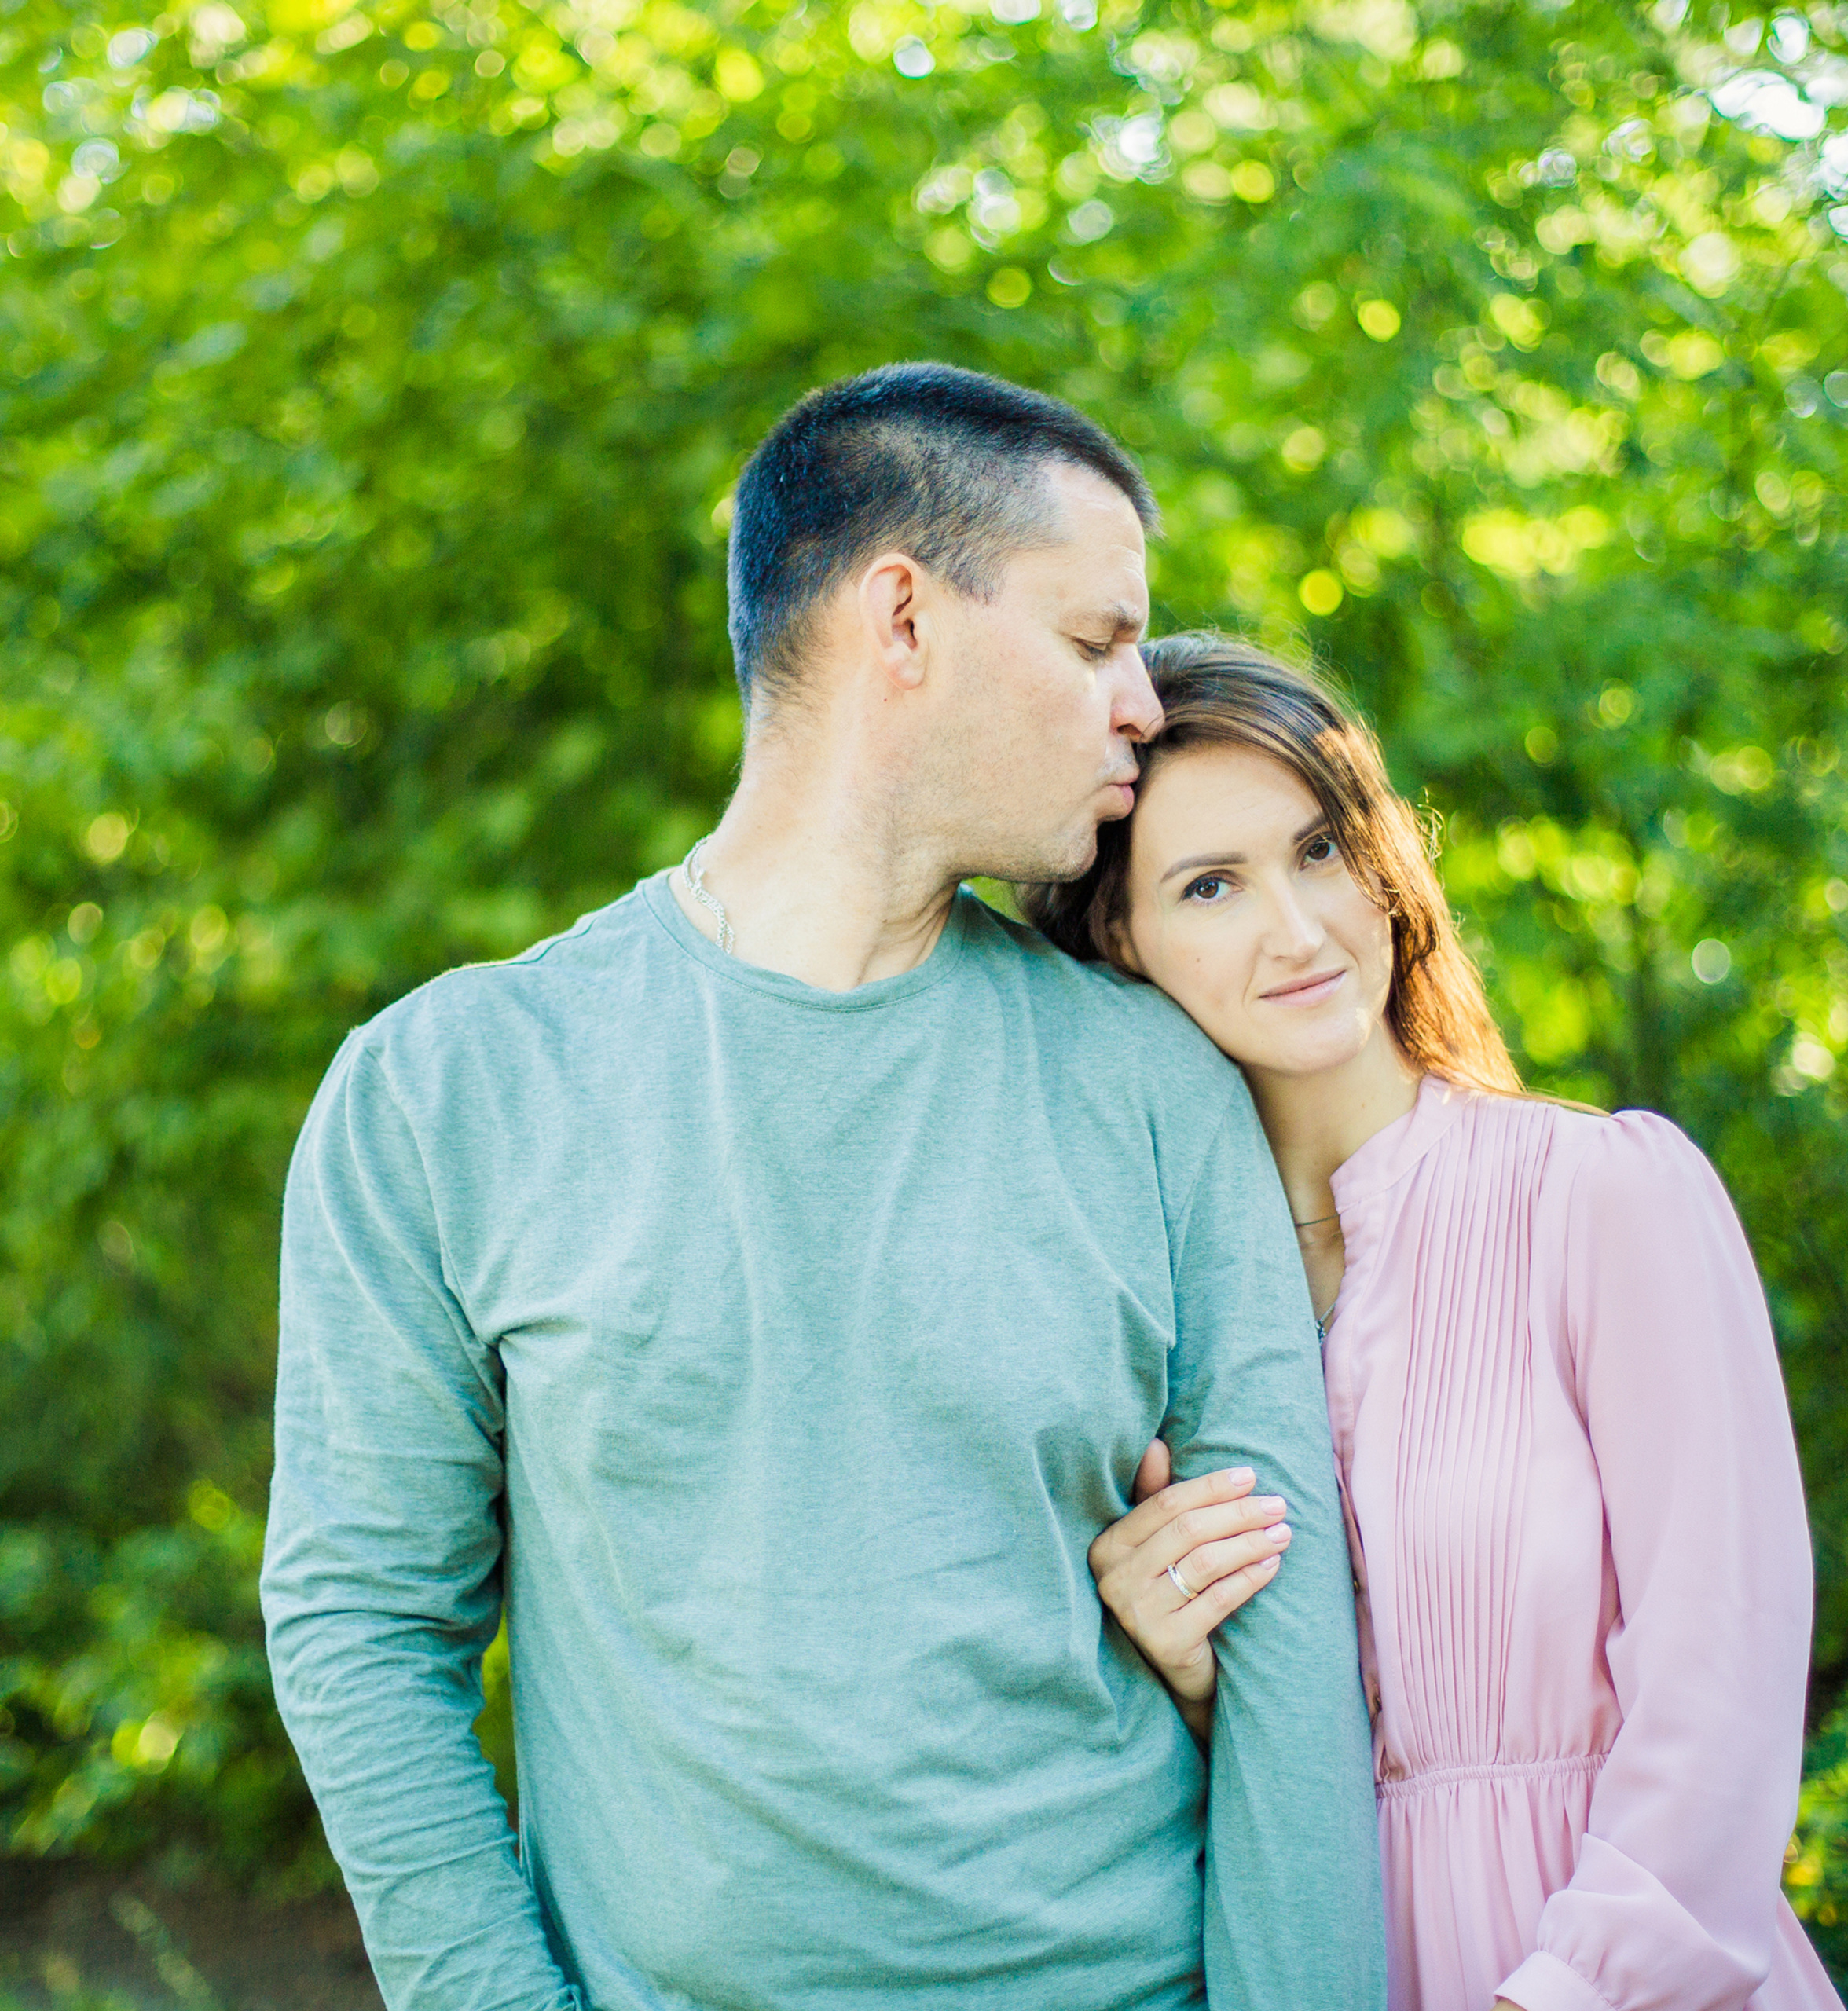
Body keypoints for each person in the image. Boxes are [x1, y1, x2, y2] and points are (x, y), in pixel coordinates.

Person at [259, 368, 1384, 2011]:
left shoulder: (1154, 1083)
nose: (1141, 700)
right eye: (1093, 642)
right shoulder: (449, 1089)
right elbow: (362, 1621)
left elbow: (1282, 1642)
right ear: (902, 618)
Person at [1028, 632, 1842, 2011]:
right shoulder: (1142, 1319)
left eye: (1321, 851)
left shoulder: (1603, 1195)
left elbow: (1727, 1688)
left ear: (1389, 868)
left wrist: (1566, 1995)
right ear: (1120, 936)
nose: (1297, 929)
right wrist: (1187, 1679)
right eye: (1211, 885)